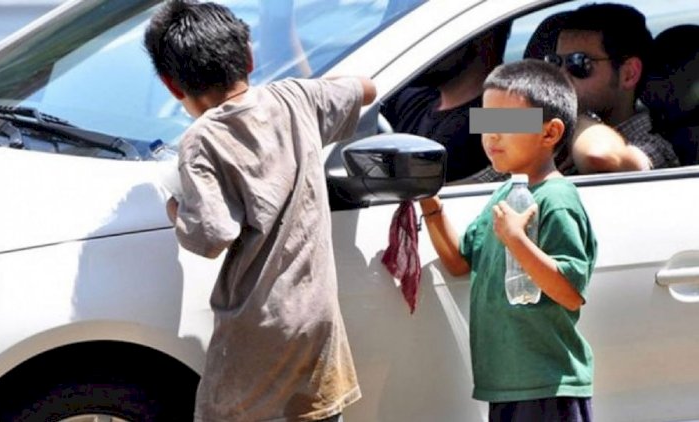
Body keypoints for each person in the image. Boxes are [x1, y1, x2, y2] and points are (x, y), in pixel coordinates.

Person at [143, 1, 377, 421]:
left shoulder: (201, 140)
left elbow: (211, 236)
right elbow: (367, 88)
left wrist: (174, 208)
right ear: (249, 58)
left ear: (172, 86)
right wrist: (308, 85)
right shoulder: (296, 97)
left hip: (257, 331)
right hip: (317, 327)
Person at [419, 59, 598, 422]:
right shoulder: (506, 193)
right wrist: (429, 204)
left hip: (548, 385)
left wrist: (517, 240)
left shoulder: (556, 199)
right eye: (486, 122)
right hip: (506, 384)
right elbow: (460, 262)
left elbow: (569, 291)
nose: (491, 136)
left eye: (507, 123)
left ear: (549, 133)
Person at [547, 2, 679, 172]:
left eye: (578, 62)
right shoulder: (555, 123)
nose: (561, 75)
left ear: (629, 74)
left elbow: (599, 157)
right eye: (555, 62)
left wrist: (571, 116)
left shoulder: (653, 146)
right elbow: (510, 122)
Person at [380, 22, 510, 182]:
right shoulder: (413, 98)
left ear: (482, 36)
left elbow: (535, 124)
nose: (418, 47)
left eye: (432, 36)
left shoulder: (495, 119)